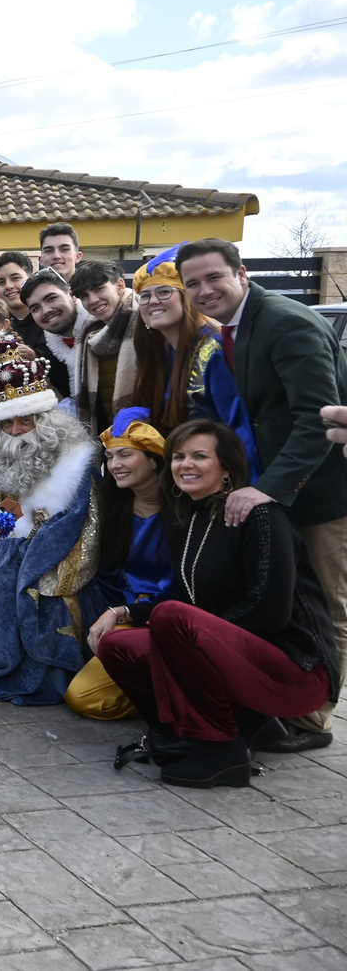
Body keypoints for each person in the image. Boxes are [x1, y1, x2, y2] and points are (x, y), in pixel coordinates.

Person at [92, 421, 341, 787]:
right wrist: (123, 611)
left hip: (296, 669)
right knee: (117, 643)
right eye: (178, 456)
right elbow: (182, 597)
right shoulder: (186, 519)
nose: (185, 464)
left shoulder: (259, 515)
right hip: (240, 656)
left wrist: (197, 632)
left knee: (173, 619)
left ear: (226, 468)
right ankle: (177, 732)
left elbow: (270, 613)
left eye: (199, 456)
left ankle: (222, 750)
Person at [181, 238, 347, 750]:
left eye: (214, 278)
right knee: (293, 602)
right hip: (280, 493)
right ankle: (289, 705)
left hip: (319, 496)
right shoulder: (236, 328)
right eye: (193, 283)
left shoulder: (286, 321)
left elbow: (317, 419)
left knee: (328, 605)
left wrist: (267, 489)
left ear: (242, 273)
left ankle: (314, 717)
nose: (204, 290)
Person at [0, 340, 99, 705]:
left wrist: (28, 553)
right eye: (8, 423)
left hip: (51, 556)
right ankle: (4, 664)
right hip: (4, 544)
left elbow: (77, 524)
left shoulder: (75, 462)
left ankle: (41, 673)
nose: (17, 430)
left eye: (26, 419)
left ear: (45, 419)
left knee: (24, 578)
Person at [66, 410, 172, 720]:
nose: (115, 465)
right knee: (83, 698)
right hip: (123, 615)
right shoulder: (112, 507)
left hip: (171, 617)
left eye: (125, 455)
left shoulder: (184, 509)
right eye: (110, 457)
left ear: (154, 459)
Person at [129, 248, 260, 470]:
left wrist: (246, 485)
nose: (153, 301)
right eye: (145, 295)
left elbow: (239, 426)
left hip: (222, 476)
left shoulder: (213, 350)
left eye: (163, 292)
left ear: (186, 297)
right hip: (187, 474)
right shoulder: (160, 354)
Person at [70, 259, 137, 432]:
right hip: (113, 434)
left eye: (99, 289)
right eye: (84, 296)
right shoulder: (90, 333)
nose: (93, 300)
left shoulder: (145, 319)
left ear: (120, 285)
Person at [18, 267, 82, 406]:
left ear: (70, 293)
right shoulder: (47, 353)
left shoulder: (105, 330)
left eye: (51, 299)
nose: (46, 310)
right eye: (36, 308)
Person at [0, 250, 45, 349]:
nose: (8, 286)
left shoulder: (48, 316)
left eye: (15, 278)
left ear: (31, 279)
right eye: (1, 282)